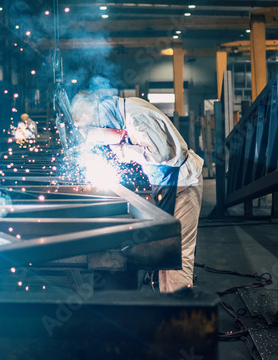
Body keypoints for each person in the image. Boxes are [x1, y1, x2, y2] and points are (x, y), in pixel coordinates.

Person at [69, 90, 204, 292]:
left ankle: (181, 314)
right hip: (168, 183)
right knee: (166, 247)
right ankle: (168, 305)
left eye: (95, 123)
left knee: (179, 252)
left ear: (98, 110)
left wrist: (123, 151)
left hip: (183, 183)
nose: (101, 127)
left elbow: (159, 154)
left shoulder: (135, 117)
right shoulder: (126, 111)